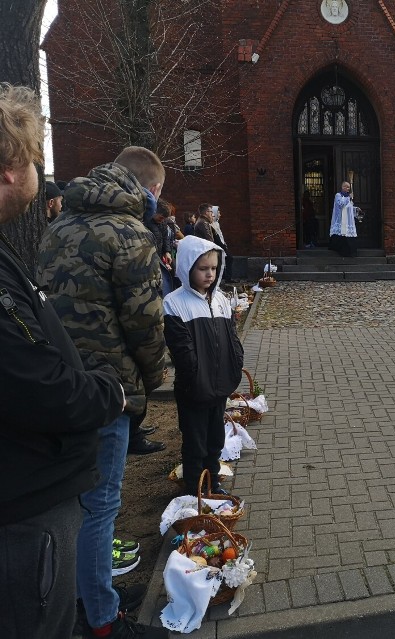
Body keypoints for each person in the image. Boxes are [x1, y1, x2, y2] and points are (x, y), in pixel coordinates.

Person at [0, 83, 125, 639]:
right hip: (26, 506)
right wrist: (110, 391)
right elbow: (34, 381)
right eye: (34, 160)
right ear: (9, 168)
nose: (40, 175)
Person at [37, 146, 168, 639]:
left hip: (60, 383)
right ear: (150, 189)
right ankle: (102, 620)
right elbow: (145, 322)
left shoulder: (60, 225)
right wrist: (151, 380)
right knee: (101, 504)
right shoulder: (131, 233)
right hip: (108, 387)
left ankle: (86, 593)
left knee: (74, 498)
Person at [164, 235, 244, 497]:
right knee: (195, 442)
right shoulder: (174, 303)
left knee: (214, 440)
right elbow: (182, 350)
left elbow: (231, 338)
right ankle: (194, 490)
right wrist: (196, 378)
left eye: (213, 268)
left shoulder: (219, 299)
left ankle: (213, 482)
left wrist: (234, 366)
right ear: (187, 267)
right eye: (203, 269)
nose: (209, 274)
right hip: (194, 389)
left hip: (218, 386)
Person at [329, 181, 357, 257]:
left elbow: (349, 208)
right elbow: (340, 204)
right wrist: (348, 198)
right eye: (346, 187)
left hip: (348, 220)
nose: (348, 188)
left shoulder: (348, 197)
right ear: (343, 187)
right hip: (340, 219)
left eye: (349, 187)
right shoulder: (338, 195)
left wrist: (356, 209)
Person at [210, 206, 234, 282]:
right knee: (228, 259)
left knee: (225, 260)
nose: (220, 215)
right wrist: (222, 245)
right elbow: (216, 237)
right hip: (218, 246)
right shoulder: (212, 224)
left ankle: (225, 277)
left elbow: (220, 235)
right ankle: (226, 277)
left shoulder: (216, 223)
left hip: (222, 245)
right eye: (218, 213)